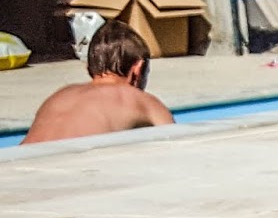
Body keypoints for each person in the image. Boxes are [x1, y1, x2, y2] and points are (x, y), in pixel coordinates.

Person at [22, 20, 175, 145]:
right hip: (68, 167)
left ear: (89, 69)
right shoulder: (139, 100)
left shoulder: (60, 95)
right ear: (138, 69)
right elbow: (177, 146)